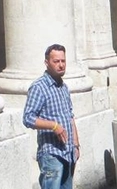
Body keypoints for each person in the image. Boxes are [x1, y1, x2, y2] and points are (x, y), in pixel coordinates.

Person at [23, 45, 80, 189]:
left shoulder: (64, 87)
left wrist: (76, 145)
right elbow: (28, 118)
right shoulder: (39, 87)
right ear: (47, 63)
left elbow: (70, 116)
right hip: (51, 154)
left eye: (63, 61)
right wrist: (54, 126)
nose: (61, 65)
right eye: (56, 61)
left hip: (68, 153)